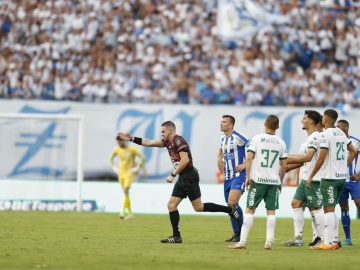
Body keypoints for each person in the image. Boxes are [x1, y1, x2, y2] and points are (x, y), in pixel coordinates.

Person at [118, 121, 241, 243]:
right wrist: (131, 138)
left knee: (198, 207)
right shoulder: (167, 142)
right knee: (172, 205)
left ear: (170, 130)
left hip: (189, 176)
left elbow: (185, 160)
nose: (161, 134)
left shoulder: (178, 141)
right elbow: (149, 142)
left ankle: (230, 210)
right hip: (183, 177)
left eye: (163, 131)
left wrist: (172, 174)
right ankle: (176, 236)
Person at [228, 115, 287, 250]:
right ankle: (268, 242)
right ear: (277, 127)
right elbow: (284, 165)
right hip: (273, 181)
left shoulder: (257, 139)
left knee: (250, 210)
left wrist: (248, 177)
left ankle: (242, 242)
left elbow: (249, 158)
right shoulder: (281, 143)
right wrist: (280, 181)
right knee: (271, 211)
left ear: (265, 124)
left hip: (258, 180)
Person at [307, 109, 357, 250]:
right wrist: (344, 165)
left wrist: (311, 176)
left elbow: (322, 157)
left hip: (329, 178)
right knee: (332, 209)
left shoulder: (325, 134)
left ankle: (328, 242)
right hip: (341, 178)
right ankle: (335, 241)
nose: (322, 119)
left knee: (328, 209)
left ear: (326, 119)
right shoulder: (341, 133)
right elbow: (353, 151)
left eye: (323, 117)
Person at [282, 110, 324, 247]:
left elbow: (307, 157)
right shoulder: (309, 138)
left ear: (311, 121)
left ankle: (322, 238)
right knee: (296, 203)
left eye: (304, 118)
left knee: (315, 207)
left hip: (313, 179)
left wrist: (285, 157)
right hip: (305, 178)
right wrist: (286, 166)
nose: (302, 120)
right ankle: (298, 238)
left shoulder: (315, 137)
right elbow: (302, 161)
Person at [218, 115, 249, 242]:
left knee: (232, 203)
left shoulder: (239, 137)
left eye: (224, 122)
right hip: (227, 176)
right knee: (229, 207)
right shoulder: (222, 139)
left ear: (230, 125)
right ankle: (237, 234)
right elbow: (220, 153)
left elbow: (255, 149)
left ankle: (242, 233)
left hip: (239, 176)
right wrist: (218, 160)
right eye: (221, 121)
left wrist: (245, 165)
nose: (221, 123)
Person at [336, 119, 360, 246]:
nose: (337, 128)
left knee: (358, 203)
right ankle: (348, 238)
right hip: (340, 181)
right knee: (344, 208)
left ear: (345, 128)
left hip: (354, 180)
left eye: (339, 126)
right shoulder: (335, 142)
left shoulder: (356, 142)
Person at [110, 137, 145, 219]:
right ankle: (130, 213)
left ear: (123, 141)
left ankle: (122, 212)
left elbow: (142, 158)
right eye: (117, 142)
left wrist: (137, 168)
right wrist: (114, 167)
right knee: (126, 194)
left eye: (120, 141)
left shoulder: (132, 149)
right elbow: (110, 158)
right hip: (120, 173)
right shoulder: (117, 150)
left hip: (129, 173)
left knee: (126, 190)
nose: (119, 143)